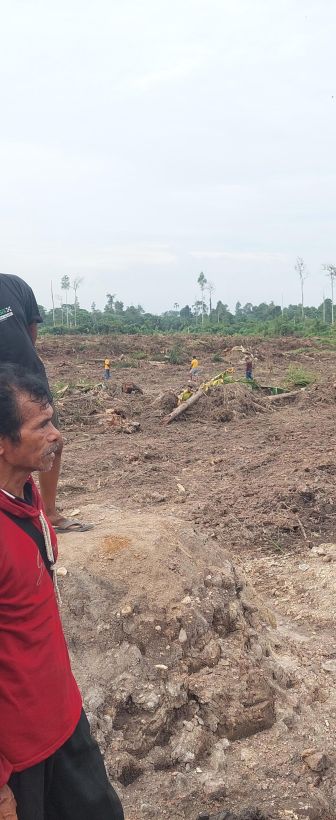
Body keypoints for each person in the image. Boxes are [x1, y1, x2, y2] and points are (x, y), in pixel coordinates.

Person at [0, 364, 124, 820]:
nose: (57, 435)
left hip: (64, 720)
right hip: (18, 758)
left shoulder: (25, 494)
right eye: (41, 425)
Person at [0, 273, 91, 533]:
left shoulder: (15, 286)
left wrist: (22, 378)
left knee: (54, 442)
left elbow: (31, 333)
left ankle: (49, 513)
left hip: (30, 382)